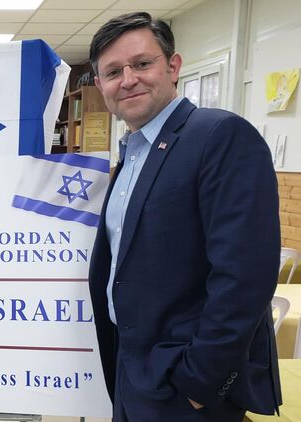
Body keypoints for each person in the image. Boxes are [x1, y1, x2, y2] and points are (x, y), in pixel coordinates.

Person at [87, 12, 282, 421]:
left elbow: (245, 276)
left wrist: (201, 383)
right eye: (113, 72)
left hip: (184, 383)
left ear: (173, 67)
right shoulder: (131, 153)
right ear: (101, 85)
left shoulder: (219, 136)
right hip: (130, 368)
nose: (128, 80)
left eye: (142, 63)